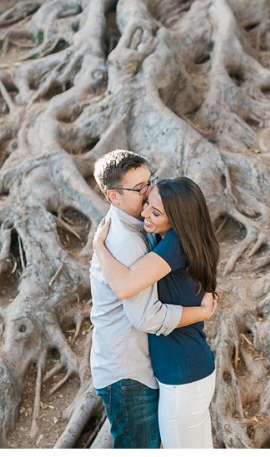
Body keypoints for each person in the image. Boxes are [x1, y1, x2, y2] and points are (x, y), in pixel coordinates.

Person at [89, 150, 217, 449]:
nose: (149, 195)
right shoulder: (126, 239)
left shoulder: (153, 232)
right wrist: (200, 312)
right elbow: (144, 314)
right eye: (139, 189)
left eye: (150, 182)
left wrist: (98, 247)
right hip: (128, 373)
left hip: (166, 370)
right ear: (113, 196)